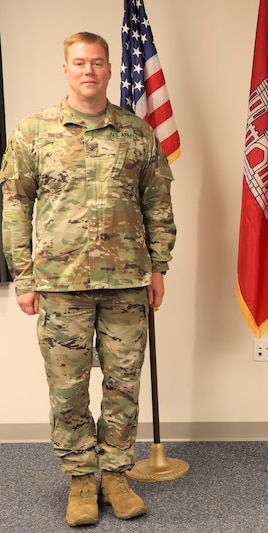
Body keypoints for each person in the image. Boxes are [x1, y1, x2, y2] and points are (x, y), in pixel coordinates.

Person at [0, 32, 175, 527]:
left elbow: (157, 204)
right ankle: (81, 479)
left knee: (123, 382)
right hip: (59, 283)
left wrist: (158, 267)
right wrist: (24, 275)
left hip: (126, 280)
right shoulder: (34, 131)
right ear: (65, 69)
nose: (89, 71)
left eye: (98, 63)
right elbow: (15, 206)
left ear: (110, 69)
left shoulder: (137, 133)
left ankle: (116, 475)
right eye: (79, 63)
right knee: (67, 386)